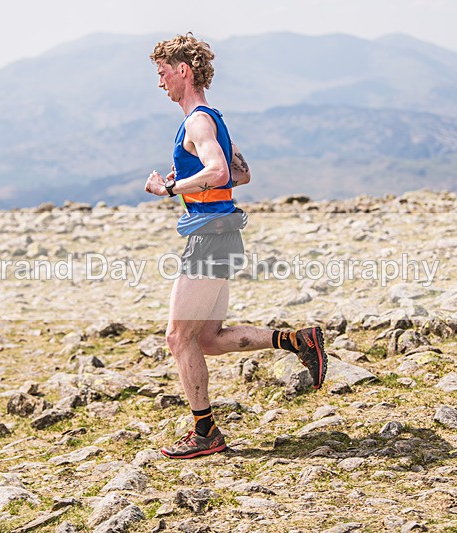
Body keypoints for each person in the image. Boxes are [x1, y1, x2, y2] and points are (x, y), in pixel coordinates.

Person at [145, 33, 326, 459]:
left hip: (209, 236)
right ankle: (298, 340)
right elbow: (240, 173)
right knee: (206, 338)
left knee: (177, 336)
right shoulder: (212, 119)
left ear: (182, 71)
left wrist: (171, 186)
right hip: (221, 234)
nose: (160, 82)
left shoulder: (197, 122)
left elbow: (220, 168)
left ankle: (205, 432)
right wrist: (206, 175)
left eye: (163, 72)